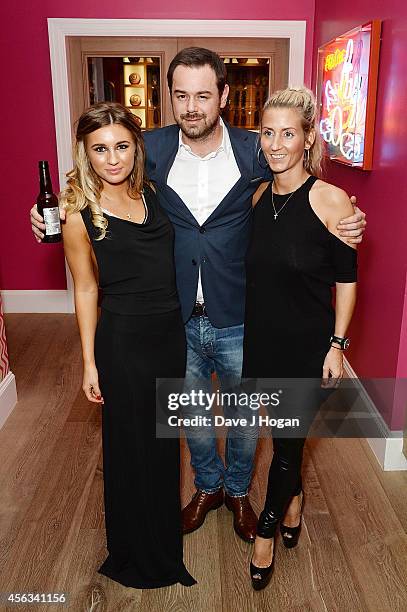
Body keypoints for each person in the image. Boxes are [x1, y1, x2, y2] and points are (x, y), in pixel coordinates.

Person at [30, 48, 366, 544]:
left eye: (203, 95)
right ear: (170, 98)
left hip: (240, 311)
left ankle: (236, 491)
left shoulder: (257, 149)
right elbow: (103, 195)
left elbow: (300, 189)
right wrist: (47, 224)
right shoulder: (149, 149)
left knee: (244, 414)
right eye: (181, 95)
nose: (192, 106)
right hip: (174, 316)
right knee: (189, 413)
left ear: (224, 97)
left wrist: (348, 215)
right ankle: (207, 487)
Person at [58, 102, 195, 589]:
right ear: (86, 153)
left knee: (162, 443)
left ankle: (163, 540)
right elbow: (86, 288)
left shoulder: (152, 194)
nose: (112, 158)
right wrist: (89, 362)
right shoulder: (78, 213)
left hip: (168, 336)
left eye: (121, 146)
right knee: (128, 446)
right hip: (123, 340)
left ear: (136, 148)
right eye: (99, 149)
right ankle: (135, 551)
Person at [243, 87, 357, 590]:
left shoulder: (332, 200)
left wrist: (338, 346)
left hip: (306, 345)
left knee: (287, 446)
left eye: (288, 133)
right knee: (282, 437)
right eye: (268, 132)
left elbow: (348, 282)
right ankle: (293, 500)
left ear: (307, 137)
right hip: (262, 340)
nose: (276, 144)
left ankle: (266, 531)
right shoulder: (258, 197)